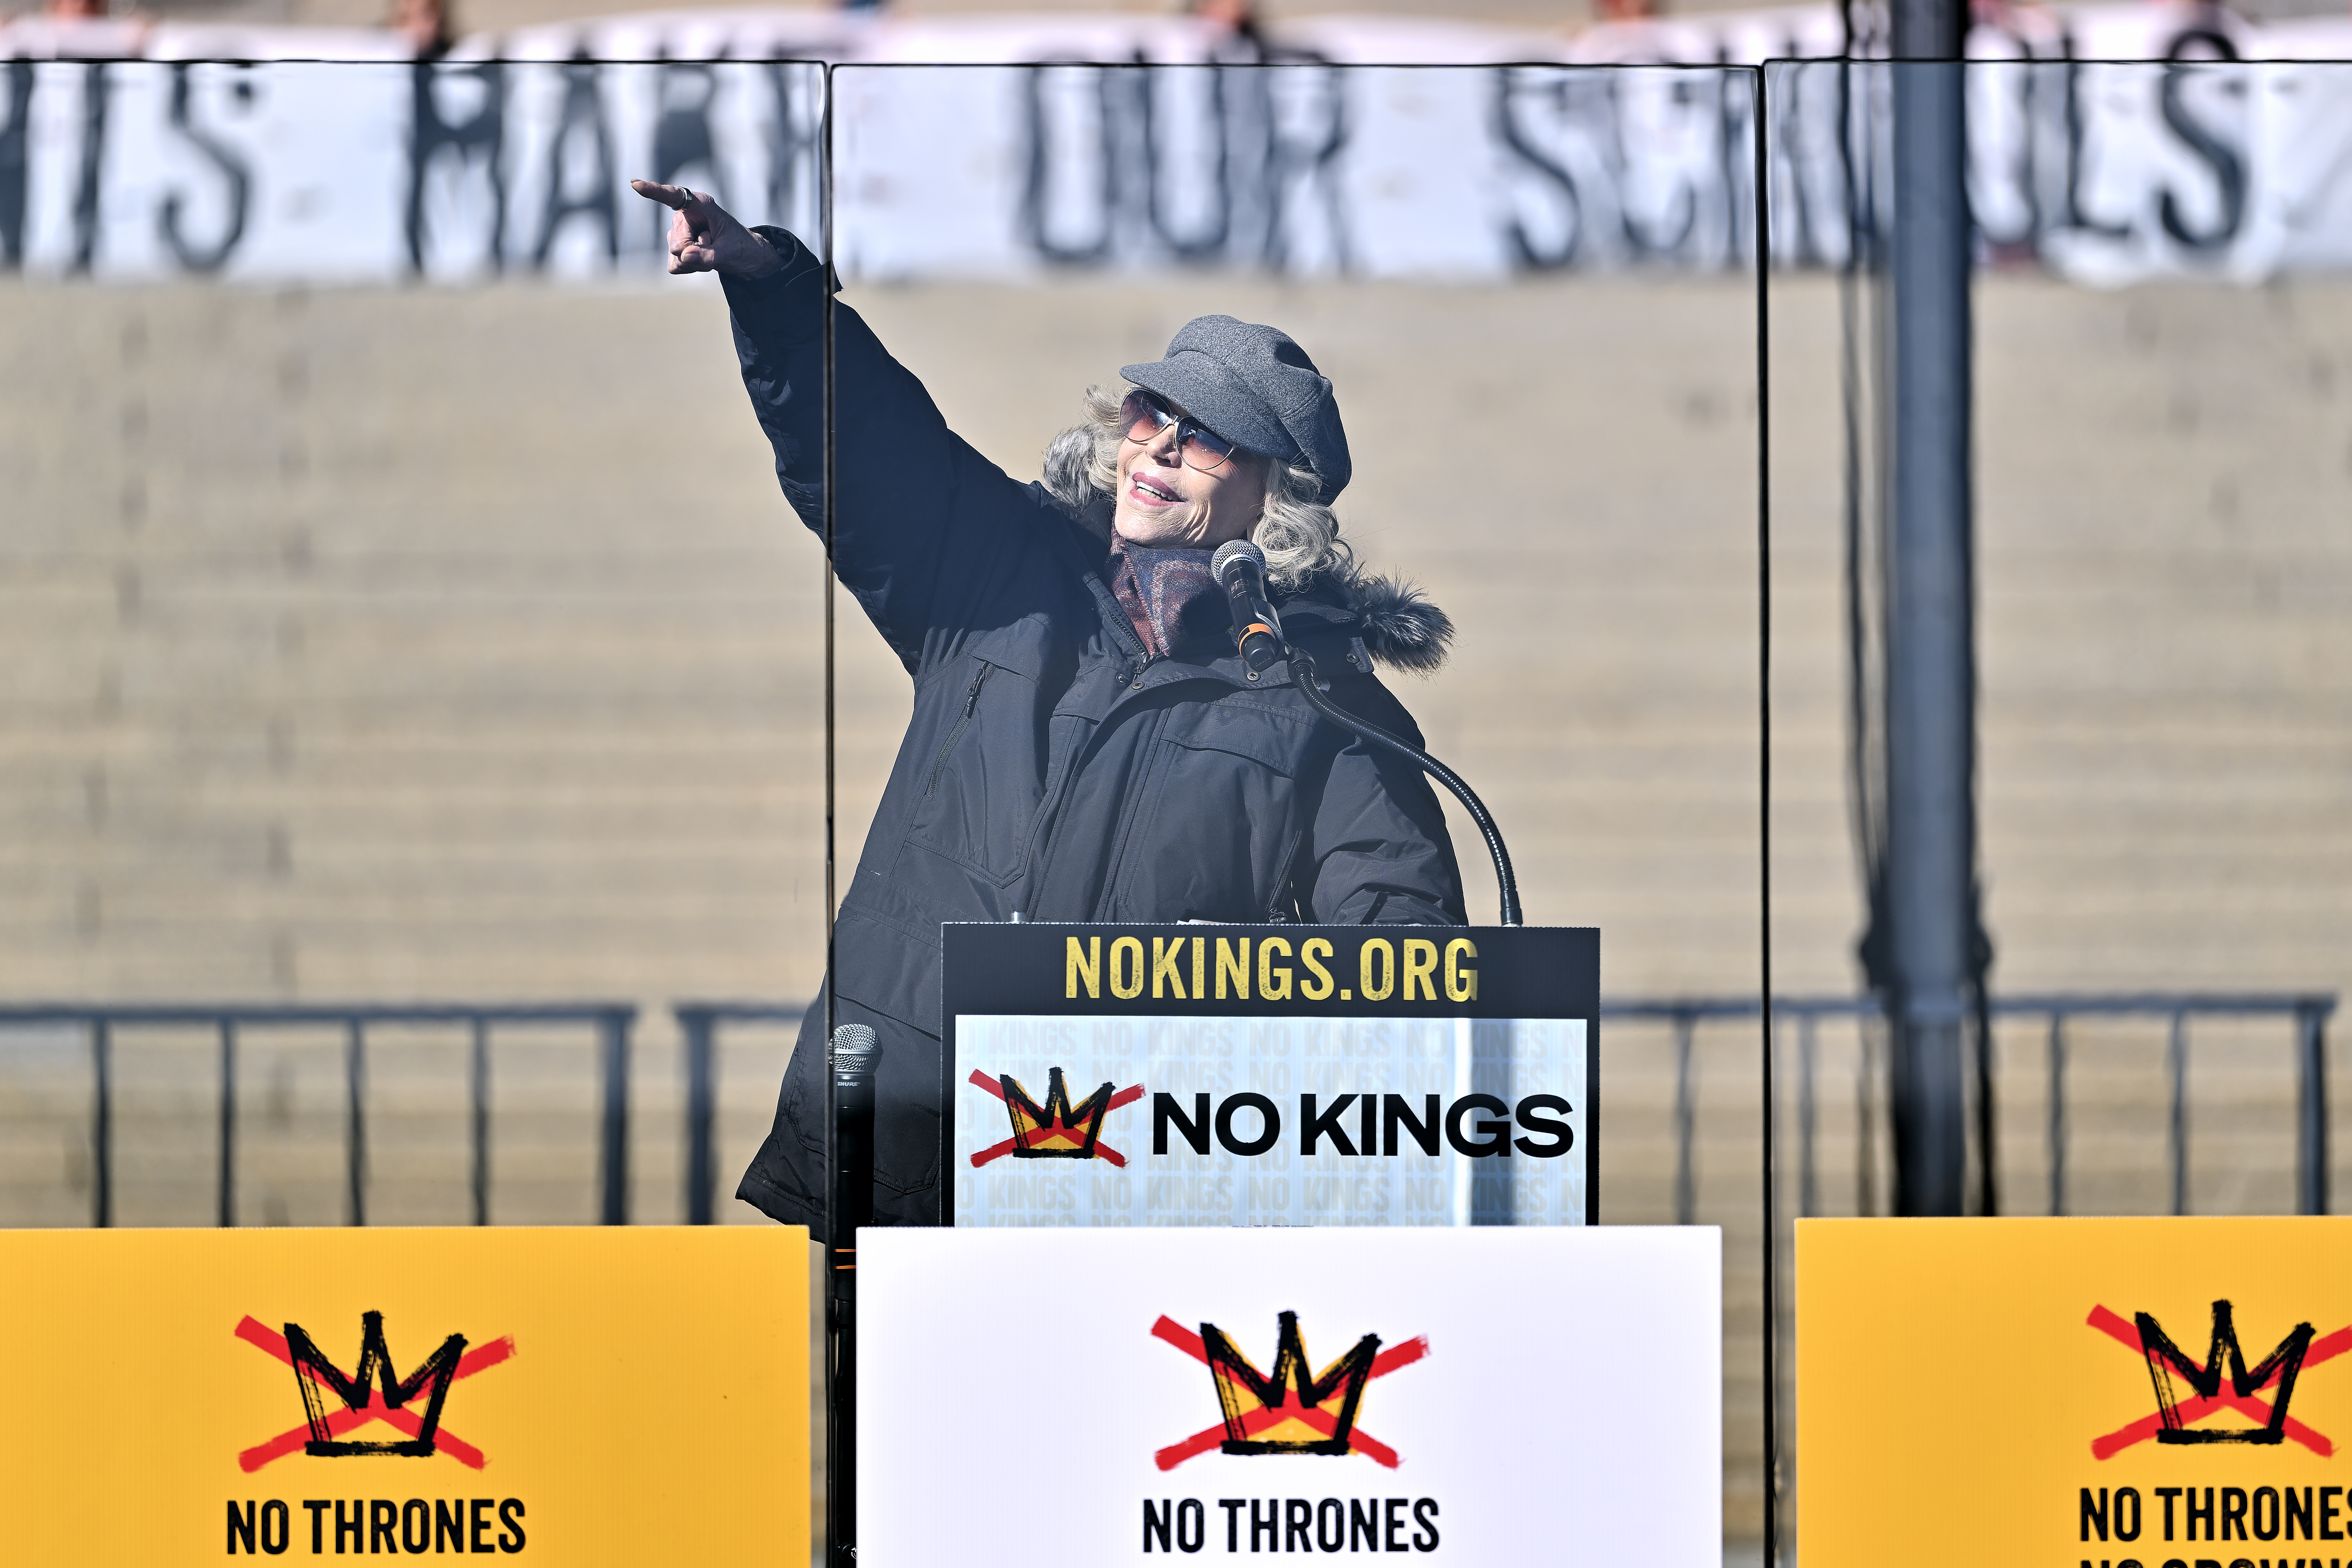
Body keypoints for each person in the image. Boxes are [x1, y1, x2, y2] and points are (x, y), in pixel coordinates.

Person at [629, 177, 1466, 1235]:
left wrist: (1227, 1004)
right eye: (1152, 412)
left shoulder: (1323, 703)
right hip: (901, 1127)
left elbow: (1402, 957)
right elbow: (871, 445)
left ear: (1277, 494)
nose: (1161, 445)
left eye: (1209, 436)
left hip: (1130, 1177)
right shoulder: (1002, 569)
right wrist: (773, 286)